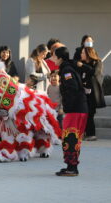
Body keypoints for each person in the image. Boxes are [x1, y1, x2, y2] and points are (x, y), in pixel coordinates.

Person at [52, 47, 88, 177]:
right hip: (79, 109)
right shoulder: (68, 68)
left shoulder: (67, 70)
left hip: (75, 110)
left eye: (54, 56)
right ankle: (71, 166)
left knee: (70, 137)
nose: (53, 59)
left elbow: (72, 89)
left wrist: (67, 107)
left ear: (60, 58)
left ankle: (72, 168)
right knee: (73, 138)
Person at [76, 47, 106, 141]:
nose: (81, 55)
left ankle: (91, 134)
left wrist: (83, 66)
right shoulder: (82, 63)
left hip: (93, 93)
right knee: (84, 113)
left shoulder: (97, 63)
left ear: (88, 54)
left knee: (90, 114)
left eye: (83, 53)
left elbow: (94, 73)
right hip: (83, 92)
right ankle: (84, 133)